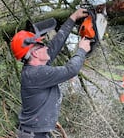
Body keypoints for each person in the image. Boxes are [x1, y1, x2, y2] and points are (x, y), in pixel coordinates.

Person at [10, 8, 91, 138]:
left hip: (35, 134)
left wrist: (73, 18)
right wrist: (81, 50)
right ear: (35, 53)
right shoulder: (36, 74)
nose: (47, 47)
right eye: (42, 45)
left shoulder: (35, 69)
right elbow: (71, 70)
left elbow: (56, 44)